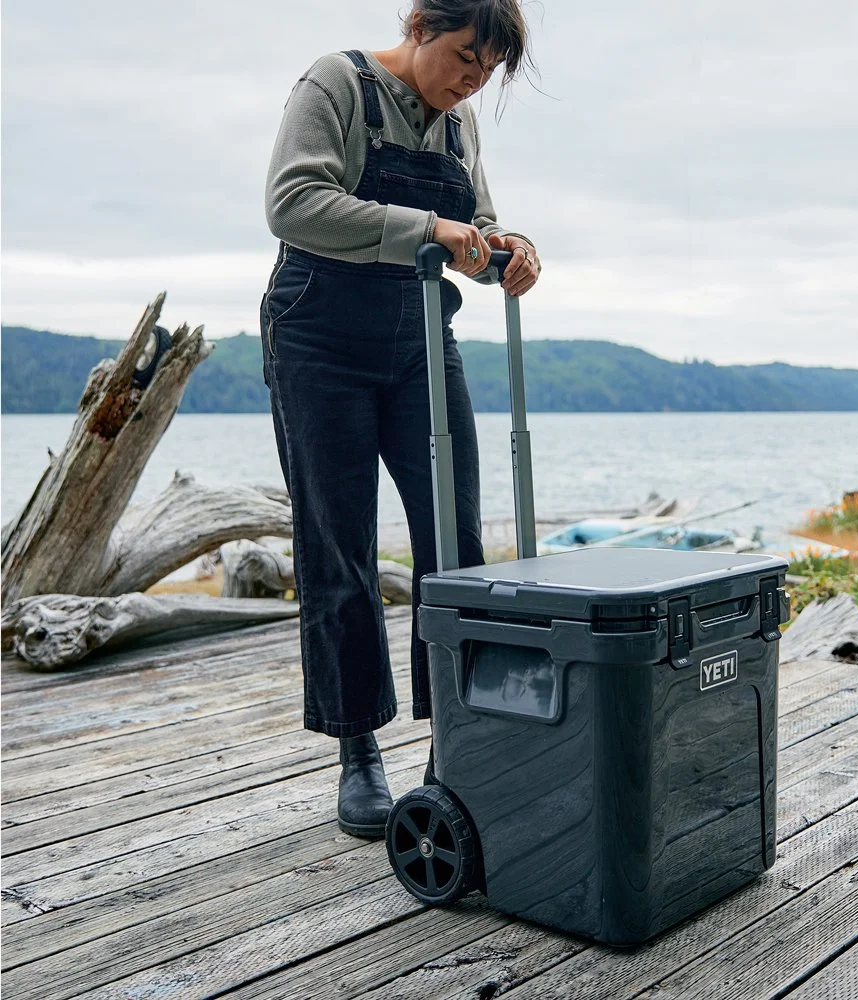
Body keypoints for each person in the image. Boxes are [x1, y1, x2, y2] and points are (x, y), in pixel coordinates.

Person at [260, 0, 541, 839]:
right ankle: (359, 753)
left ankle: (453, 745)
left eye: (487, 72)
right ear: (419, 25)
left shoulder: (459, 128)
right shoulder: (335, 82)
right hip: (318, 337)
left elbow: (476, 229)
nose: (471, 81)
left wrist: (507, 254)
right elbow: (293, 202)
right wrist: (431, 227)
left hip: (423, 341)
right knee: (338, 545)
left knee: (454, 547)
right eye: (464, 57)